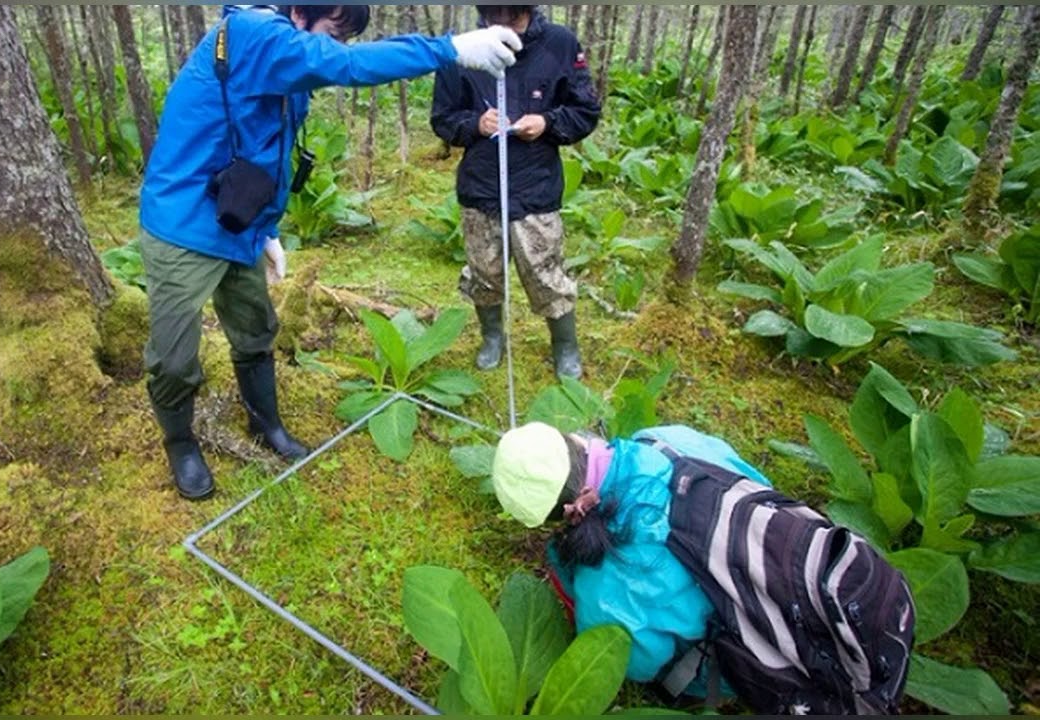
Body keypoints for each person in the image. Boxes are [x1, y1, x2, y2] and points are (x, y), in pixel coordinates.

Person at [140, 5, 524, 501]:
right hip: (183, 225)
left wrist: (268, 228)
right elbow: (349, 67)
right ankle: (181, 444)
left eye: (345, 36)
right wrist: (449, 49)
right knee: (173, 358)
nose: (336, 46)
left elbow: (269, 152)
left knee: (256, 332)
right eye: (333, 31)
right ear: (300, 12)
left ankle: (266, 424)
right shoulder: (257, 33)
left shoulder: (285, 61)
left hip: (236, 222)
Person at [490, 421, 771, 687]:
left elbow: (634, 664)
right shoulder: (660, 439)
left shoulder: (603, 585)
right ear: (575, 440)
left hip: (757, 658)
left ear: (555, 518)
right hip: (777, 553)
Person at [430, 5, 601, 380]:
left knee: (545, 273)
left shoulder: (560, 44)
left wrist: (548, 122)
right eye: (495, 18)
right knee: (485, 272)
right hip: (481, 185)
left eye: (514, 18)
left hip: (535, 185)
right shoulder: (461, 49)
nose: (504, 26)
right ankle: (492, 337)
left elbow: (585, 109)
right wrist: (475, 124)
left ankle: (565, 346)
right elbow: (442, 118)